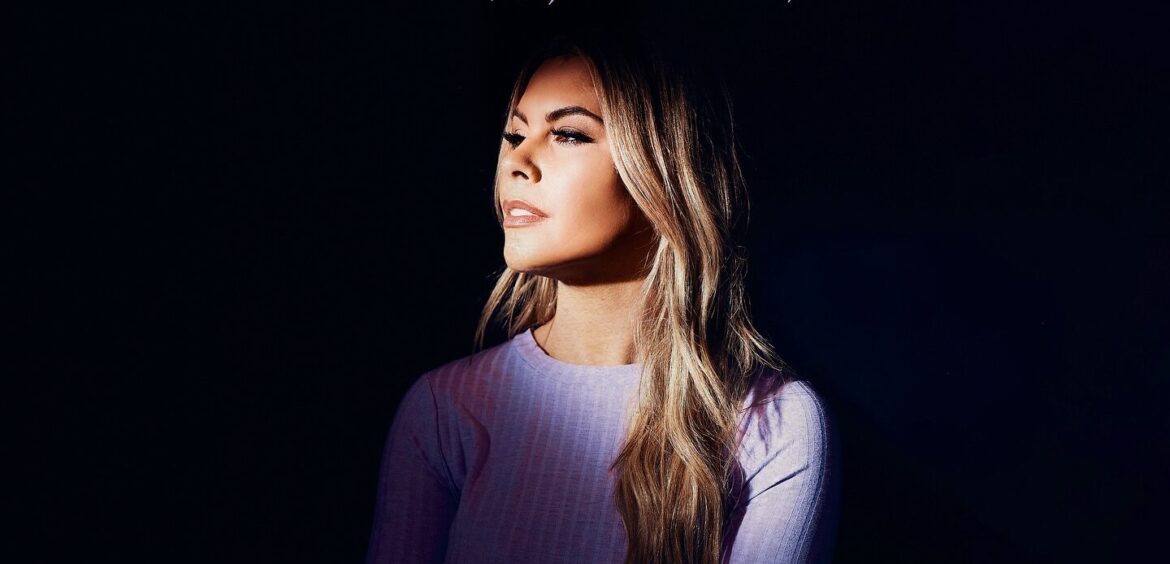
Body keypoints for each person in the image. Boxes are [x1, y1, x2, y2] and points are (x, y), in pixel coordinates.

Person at [365, 32, 839, 564]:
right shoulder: (444, 411)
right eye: (513, 134)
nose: (517, 161)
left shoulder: (775, 424)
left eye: (568, 134)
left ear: (663, 170)